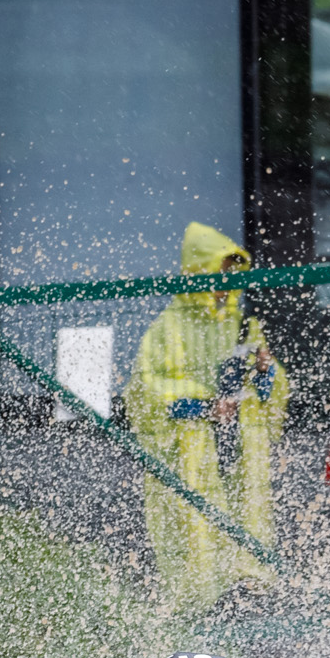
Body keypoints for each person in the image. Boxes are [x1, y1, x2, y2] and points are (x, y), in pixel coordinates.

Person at [125, 222, 291, 615]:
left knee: (245, 510)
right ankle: (199, 604)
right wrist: (202, 405)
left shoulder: (243, 324)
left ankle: (247, 590)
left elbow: (273, 388)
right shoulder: (168, 327)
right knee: (195, 522)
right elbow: (146, 390)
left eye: (232, 274)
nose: (225, 284)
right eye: (218, 273)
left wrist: (264, 372)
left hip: (239, 442)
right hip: (192, 448)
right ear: (198, 273)